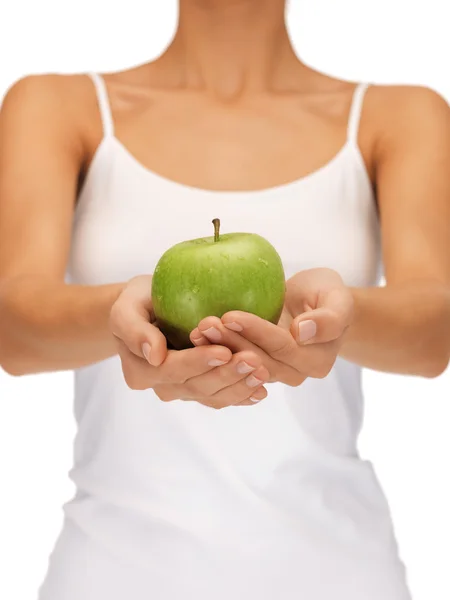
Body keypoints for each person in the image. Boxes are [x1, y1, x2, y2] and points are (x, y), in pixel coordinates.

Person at [0, 0, 449, 598]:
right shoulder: (57, 105)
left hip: (336, 572)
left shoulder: (400, 114)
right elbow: (13, 328)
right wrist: (127, 317)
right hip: (113, 570)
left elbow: (433, 334)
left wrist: (340, 319)